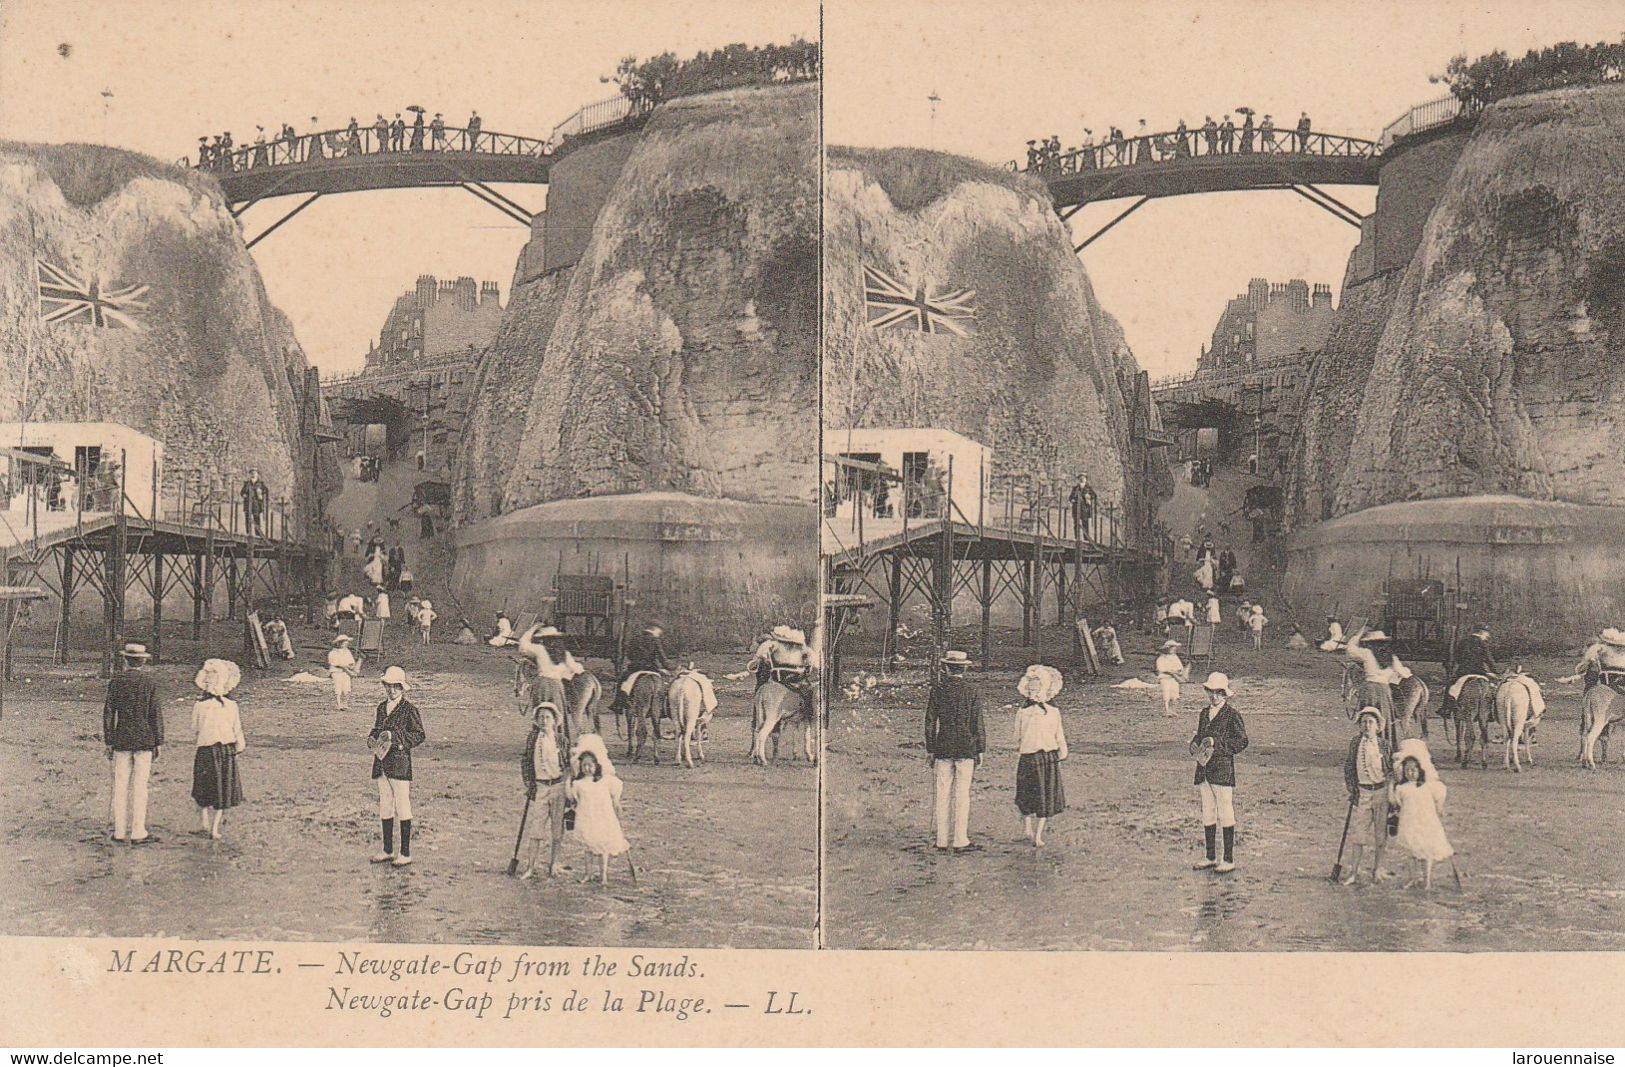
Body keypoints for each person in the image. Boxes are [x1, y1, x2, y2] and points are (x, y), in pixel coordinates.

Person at [103, 641, 163, 845]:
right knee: (140, 786)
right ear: (143, 662)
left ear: (126, 661)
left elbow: (109, 712)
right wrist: (158, 740)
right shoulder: (150, 682)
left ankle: (119, 831)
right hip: (145, 739)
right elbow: (155, 714)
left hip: (121, 738)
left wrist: (109, 740)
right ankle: (138, 831)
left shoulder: (116, 681)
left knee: (120, 785)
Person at [925, 650, 984, 853]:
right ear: (965, 668)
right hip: (966, 747)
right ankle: (960, 839)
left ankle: (941, 840)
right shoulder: (972, 691)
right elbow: (978, 722)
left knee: (942, 794)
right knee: (962, 794)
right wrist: (980, 748)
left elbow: (930, 722)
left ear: (946, 668)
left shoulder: (937, 690)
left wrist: (930, 748)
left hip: (942, 747)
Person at [368, 666, 426, 867]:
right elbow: (377, 728)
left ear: (402, 688)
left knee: (402, 804)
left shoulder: (410, 710)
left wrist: (397, 739)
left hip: (400, 762)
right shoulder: (381, 708)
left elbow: (419, 735)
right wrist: (372, 737)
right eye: (388, 686)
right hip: (382, 761)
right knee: (385, 804)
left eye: (396, 687)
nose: (392, 691)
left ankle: (405, 852)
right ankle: (387, 849)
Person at [1191, 672, 1247, 873]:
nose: (1214, 697)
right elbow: (1199, 735)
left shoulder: (1232, 715)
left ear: (1225, 694)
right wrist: (1194, 744)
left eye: (1218, 693)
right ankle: (1210, 856)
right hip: (1204, 768)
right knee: (1208, 810)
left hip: (1222, 769)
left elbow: (1242, 742)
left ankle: (1229, 859)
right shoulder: (1204, 713)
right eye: (1211, 692)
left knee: (1225, 811)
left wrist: (1218, 743)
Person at [1013, 665, 1068, 848]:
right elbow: (1017, 736)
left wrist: (1062, 750)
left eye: (1037, 686)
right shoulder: (1023, 712)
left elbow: (1059, 734)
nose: (1034, 690)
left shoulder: (1052, 712)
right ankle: (1029, 829)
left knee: (1045, 796)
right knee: (1028, 794)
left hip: (1046, 757)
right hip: (1031, 758)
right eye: (1032, 686)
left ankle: (1037, 834)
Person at [190, 659, 246, 840]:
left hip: (206, 750)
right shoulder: (231, 706)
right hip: (226, 751)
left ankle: (204, 823)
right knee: (223, 789)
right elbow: (237, 730)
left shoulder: (199, 706)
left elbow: (195, 728)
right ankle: (214, 829)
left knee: (203, 788)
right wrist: (239, 746)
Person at [1340, 707, 1393, 885]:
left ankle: (1378, 869)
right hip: (1363, 793)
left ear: (1378, 726)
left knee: (1380, 834)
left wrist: (1391, 790)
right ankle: (1354, 872)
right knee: (1359, 834)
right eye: (1363, 722)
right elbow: (1348, 767)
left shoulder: (1384, 745)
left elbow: (1391, 769)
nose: (1367, 725)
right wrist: (1352, 788)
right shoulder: (1355, 743)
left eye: (1371, 722)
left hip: (1381, 792)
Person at [567, 734, 630, 885]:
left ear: (597, 766)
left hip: (603, 817)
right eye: (584, 766)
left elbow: (617, 788)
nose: (587, 768)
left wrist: (616, 802)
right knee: (588, 846)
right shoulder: (579, 784)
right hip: (587, 817)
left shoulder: (605, 781)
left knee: (603, 848)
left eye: (590, 765)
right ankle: (588, 873)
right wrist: (568, 779)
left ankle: (603, 875)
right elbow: (572, 797)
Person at [517, 701, 569, 879]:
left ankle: (554, 864)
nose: (544, 720)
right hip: (540, 787)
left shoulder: (561, 740)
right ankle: (530, 867)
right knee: (536, 829)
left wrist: (568, 786)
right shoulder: (533, 739)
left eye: (548, 717)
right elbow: (525, 761)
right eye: (541, 717)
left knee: (557, 829)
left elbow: (568, 764)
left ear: (555, 721)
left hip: (558, 786)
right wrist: (529, 783)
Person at [1346, 627, 1412, 740]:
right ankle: (1385, 743)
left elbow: (1350, 650)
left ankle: (1367, 743)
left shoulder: (1367, 653)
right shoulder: (1391, 657)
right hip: (1383, 690)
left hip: (1369, 689)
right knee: (1384, 716)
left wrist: (1358, 634)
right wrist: (1405, 672)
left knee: (1367, 717)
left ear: (1370, 643)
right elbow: (1404, 674)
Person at [612, 623, 673, 719]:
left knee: (622, 680)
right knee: (666, 686)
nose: (659, 634)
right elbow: (662, 658)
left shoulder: (635, 639)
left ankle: (618, 704)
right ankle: (662, 709)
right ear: (654, 629)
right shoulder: (655, 640)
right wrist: (669, 667)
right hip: (652, 668)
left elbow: (629, 655)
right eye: (659, 632)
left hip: (635, 668)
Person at [1443, 625, 1498, 717]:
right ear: (1481, 632)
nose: (1487, 636)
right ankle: (1491, 712)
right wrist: (1495, 672)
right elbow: (1489, 659)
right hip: (1480, 672)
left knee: (1450, 685)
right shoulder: (1483, 644)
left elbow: (1456, 657)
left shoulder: (1463, 642)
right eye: (1486, 634)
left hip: (1463, 672)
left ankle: (1446, 708)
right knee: (1493, 689)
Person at [1155, 639, 1189, 716]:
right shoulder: (1161, 658)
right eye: (1172, 647)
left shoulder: (1175, 658)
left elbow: (1180, 668)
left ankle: (1173, 710)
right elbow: (1161, 669)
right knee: (1166, 693)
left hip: (1174, 678)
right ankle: (1167, 710)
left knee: (1175, 694)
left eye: (1174, 648)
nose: (1174, 649)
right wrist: (1171, 671)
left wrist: (1177, 672)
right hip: (1165, 678)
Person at [240, 469, 269, 536]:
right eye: (252, 473)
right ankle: (248, 532)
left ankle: (257, 534)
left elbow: (266, 492)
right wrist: (244, 495)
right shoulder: (247, 483)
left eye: (254, 473)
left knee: (256, 518)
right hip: (248, 504)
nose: (253, 475)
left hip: (256, 505)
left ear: (257, 475)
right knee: (247, 518)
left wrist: (261, 494)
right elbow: (242, 492)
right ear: (250, 475)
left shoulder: (261, 484)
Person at [1068, 476, 1096, 541]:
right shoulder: (1075, 488)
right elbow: (1070, 497)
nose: (1082, 479)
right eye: (1080, 478)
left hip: (1084, 509)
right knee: (1076, 523)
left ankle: (1086, 538)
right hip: (1076, 508)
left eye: (1083, 478)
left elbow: (1094, 495)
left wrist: (1089, 497)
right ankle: (1076, 537)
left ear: (1085, 479)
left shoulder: (1088, 488)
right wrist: (1072, 500)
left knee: (1085, 523)